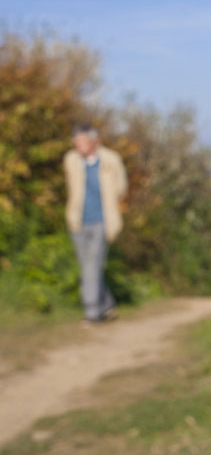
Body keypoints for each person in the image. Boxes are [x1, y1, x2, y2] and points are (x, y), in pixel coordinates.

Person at [63, 123, 127, 323]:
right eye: (76, 142)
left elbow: (121, 187)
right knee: (88, 267)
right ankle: (106, 305)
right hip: (78, 221)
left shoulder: (110, 160)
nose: (78, 145)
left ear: (94, 141)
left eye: (81, 141)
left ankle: (92, 312)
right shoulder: (71, 160)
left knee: (92, 266)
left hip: (102, 221)